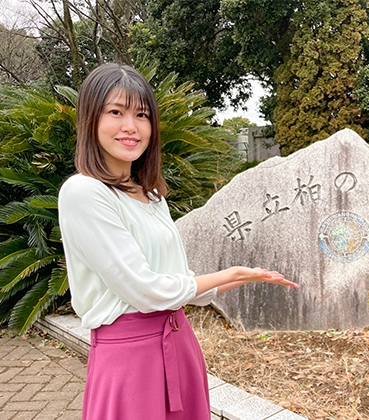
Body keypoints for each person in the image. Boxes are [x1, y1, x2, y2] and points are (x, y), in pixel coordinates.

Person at [57, 63, 299, 420]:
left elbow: (176, 277)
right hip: (130, 359)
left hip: (180, 343)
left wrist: (235, 280)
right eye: (115, 112)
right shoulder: (83, 192)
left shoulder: (151, 195)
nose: (131, 126)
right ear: (90, 119)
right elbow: (143, 290)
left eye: (142, 115)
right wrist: (226, 276)